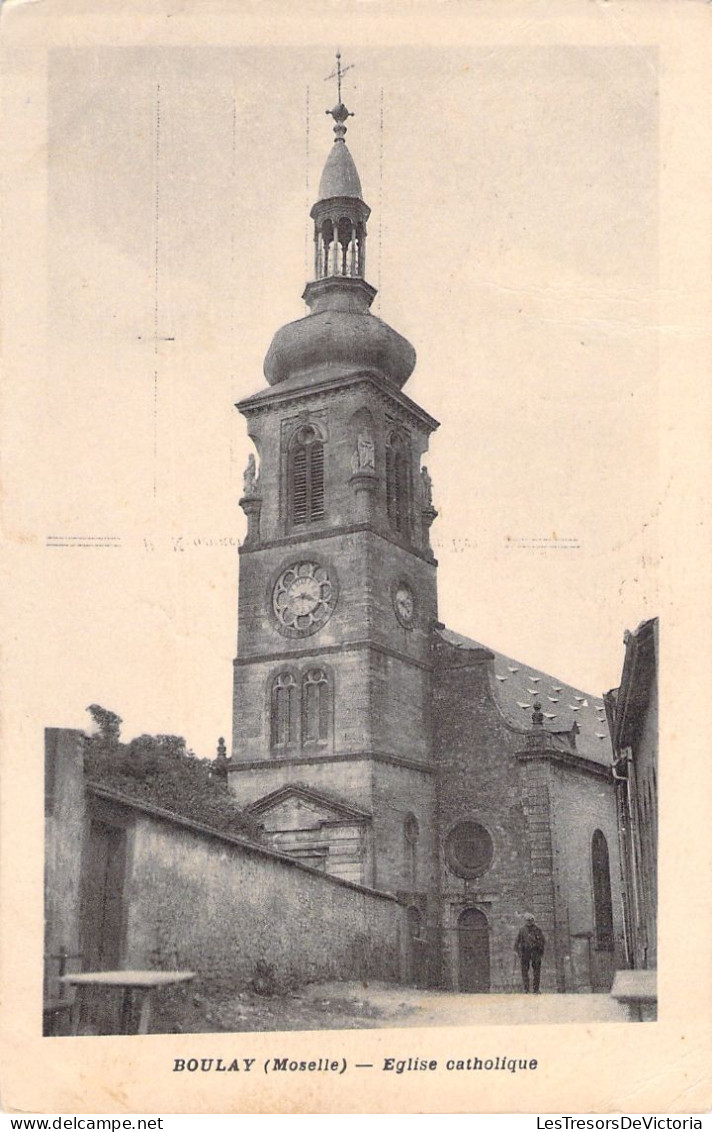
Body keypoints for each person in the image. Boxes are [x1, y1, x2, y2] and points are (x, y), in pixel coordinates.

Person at [514, 914, 545, 993]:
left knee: (537, 971)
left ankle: (536, 989)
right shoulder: (522, 930)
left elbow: (542, 941)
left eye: (531, 920)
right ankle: (526, 989)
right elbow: (517, 942)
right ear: (525, 921)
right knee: (524, 971)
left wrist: (540, 951)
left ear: (533, 921)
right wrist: (518, 952)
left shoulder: (538, 930)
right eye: (528, 920)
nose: (529, 922)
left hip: (535, 952)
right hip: (525, 953)